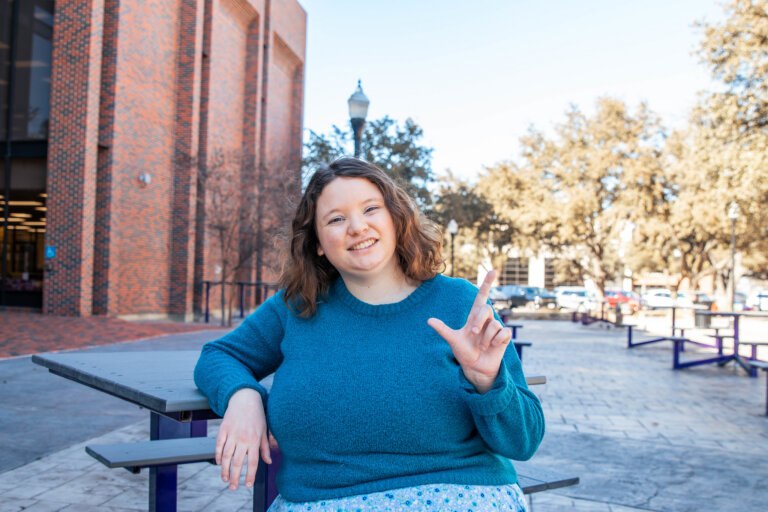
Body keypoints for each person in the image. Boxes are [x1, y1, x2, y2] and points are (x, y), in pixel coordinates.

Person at [194, 158, 545, 511]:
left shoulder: (460, 302)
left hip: (462, 496)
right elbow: (218, 356)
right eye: (336, 218)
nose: (357, 227)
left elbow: (523, 441)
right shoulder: (297, 307)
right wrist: (242, 396)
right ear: (317, 242)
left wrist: (487, 382)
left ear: (395, 218)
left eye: (370, 209)